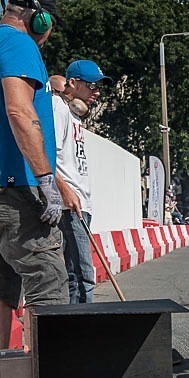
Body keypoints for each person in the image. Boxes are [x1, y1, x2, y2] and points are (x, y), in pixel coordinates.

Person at [0, 0, 68, 353]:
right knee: (49, 285)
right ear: (38, 18)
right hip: (17, 189)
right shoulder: (18, 43)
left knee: (2, 292)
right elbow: (19, 110)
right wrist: (45, 178)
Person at [53, 59, 112, 303]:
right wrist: (65, 191)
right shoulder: (58, 109)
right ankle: (84, 333)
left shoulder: (75, 116)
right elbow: (48, 156)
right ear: (73, 83)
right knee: (82, 274)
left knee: (78, 275)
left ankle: (77, 331)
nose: (97, 93)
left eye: (100, 87)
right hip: (70, 204)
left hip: (81, 202)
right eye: (92, 86)